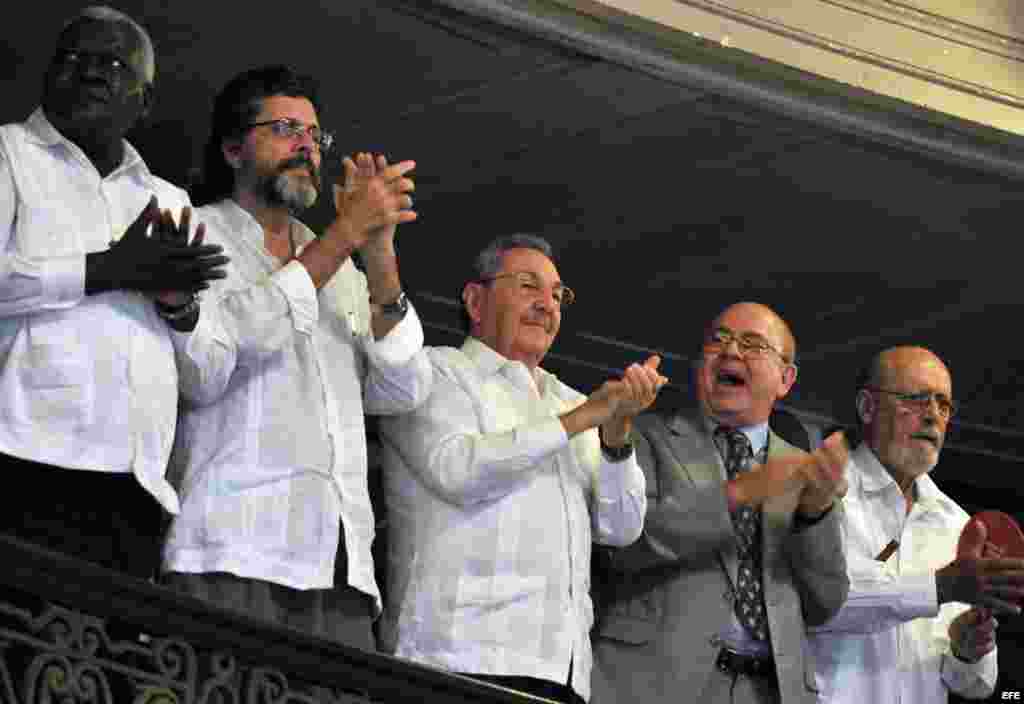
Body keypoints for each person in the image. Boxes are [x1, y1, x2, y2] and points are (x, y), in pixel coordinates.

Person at [160, 65, 431, 651]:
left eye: (314, 136)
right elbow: (213, 362)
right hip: (231, 549)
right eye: (285, 129)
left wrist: (378, 251)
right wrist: (345, 234)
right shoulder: (194, 232)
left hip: (339, 569)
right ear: (233, 149)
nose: (307, 146)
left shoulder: (338, 263)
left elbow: (402, 389)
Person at [377, 234, 666, 703]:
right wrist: (579, 422)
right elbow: (458, 470)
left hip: (561, 667)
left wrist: (617, 434)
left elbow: (620, 527)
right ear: (475, 299)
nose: (547, 305)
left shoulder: (571, 400)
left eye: (557, 295)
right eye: (529, 287)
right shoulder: (435, 371)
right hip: (456, 654)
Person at [0, 6, 225, 579]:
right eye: (80, 58)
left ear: (145, 102)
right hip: (22, 462)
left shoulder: (171, 202)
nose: (97, 73)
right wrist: (109, 268)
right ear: (48, 73)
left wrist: (179, 305)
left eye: (118, 65)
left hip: (134, 489)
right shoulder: (8, 153)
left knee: (108, 665)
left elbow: (210, 376)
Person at [591, 301, 849, 704]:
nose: (731, 352)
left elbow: (823, 605)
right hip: (653, 682)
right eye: (719, 340)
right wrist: (740, 493)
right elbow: (623, 549)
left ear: (786, 378)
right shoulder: (644, 437)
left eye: (752, 344)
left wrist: (814, 516)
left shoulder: (804, 469)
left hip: (768, 690)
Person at [806, 346, 1024, 702]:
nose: (933, 416)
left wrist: (967, 651)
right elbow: (821, 606)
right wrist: (940, 587)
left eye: (943, 405)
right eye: (917, 399)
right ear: (867, 408)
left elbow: (975, 684)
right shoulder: (820, 495)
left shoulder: (956, 523)